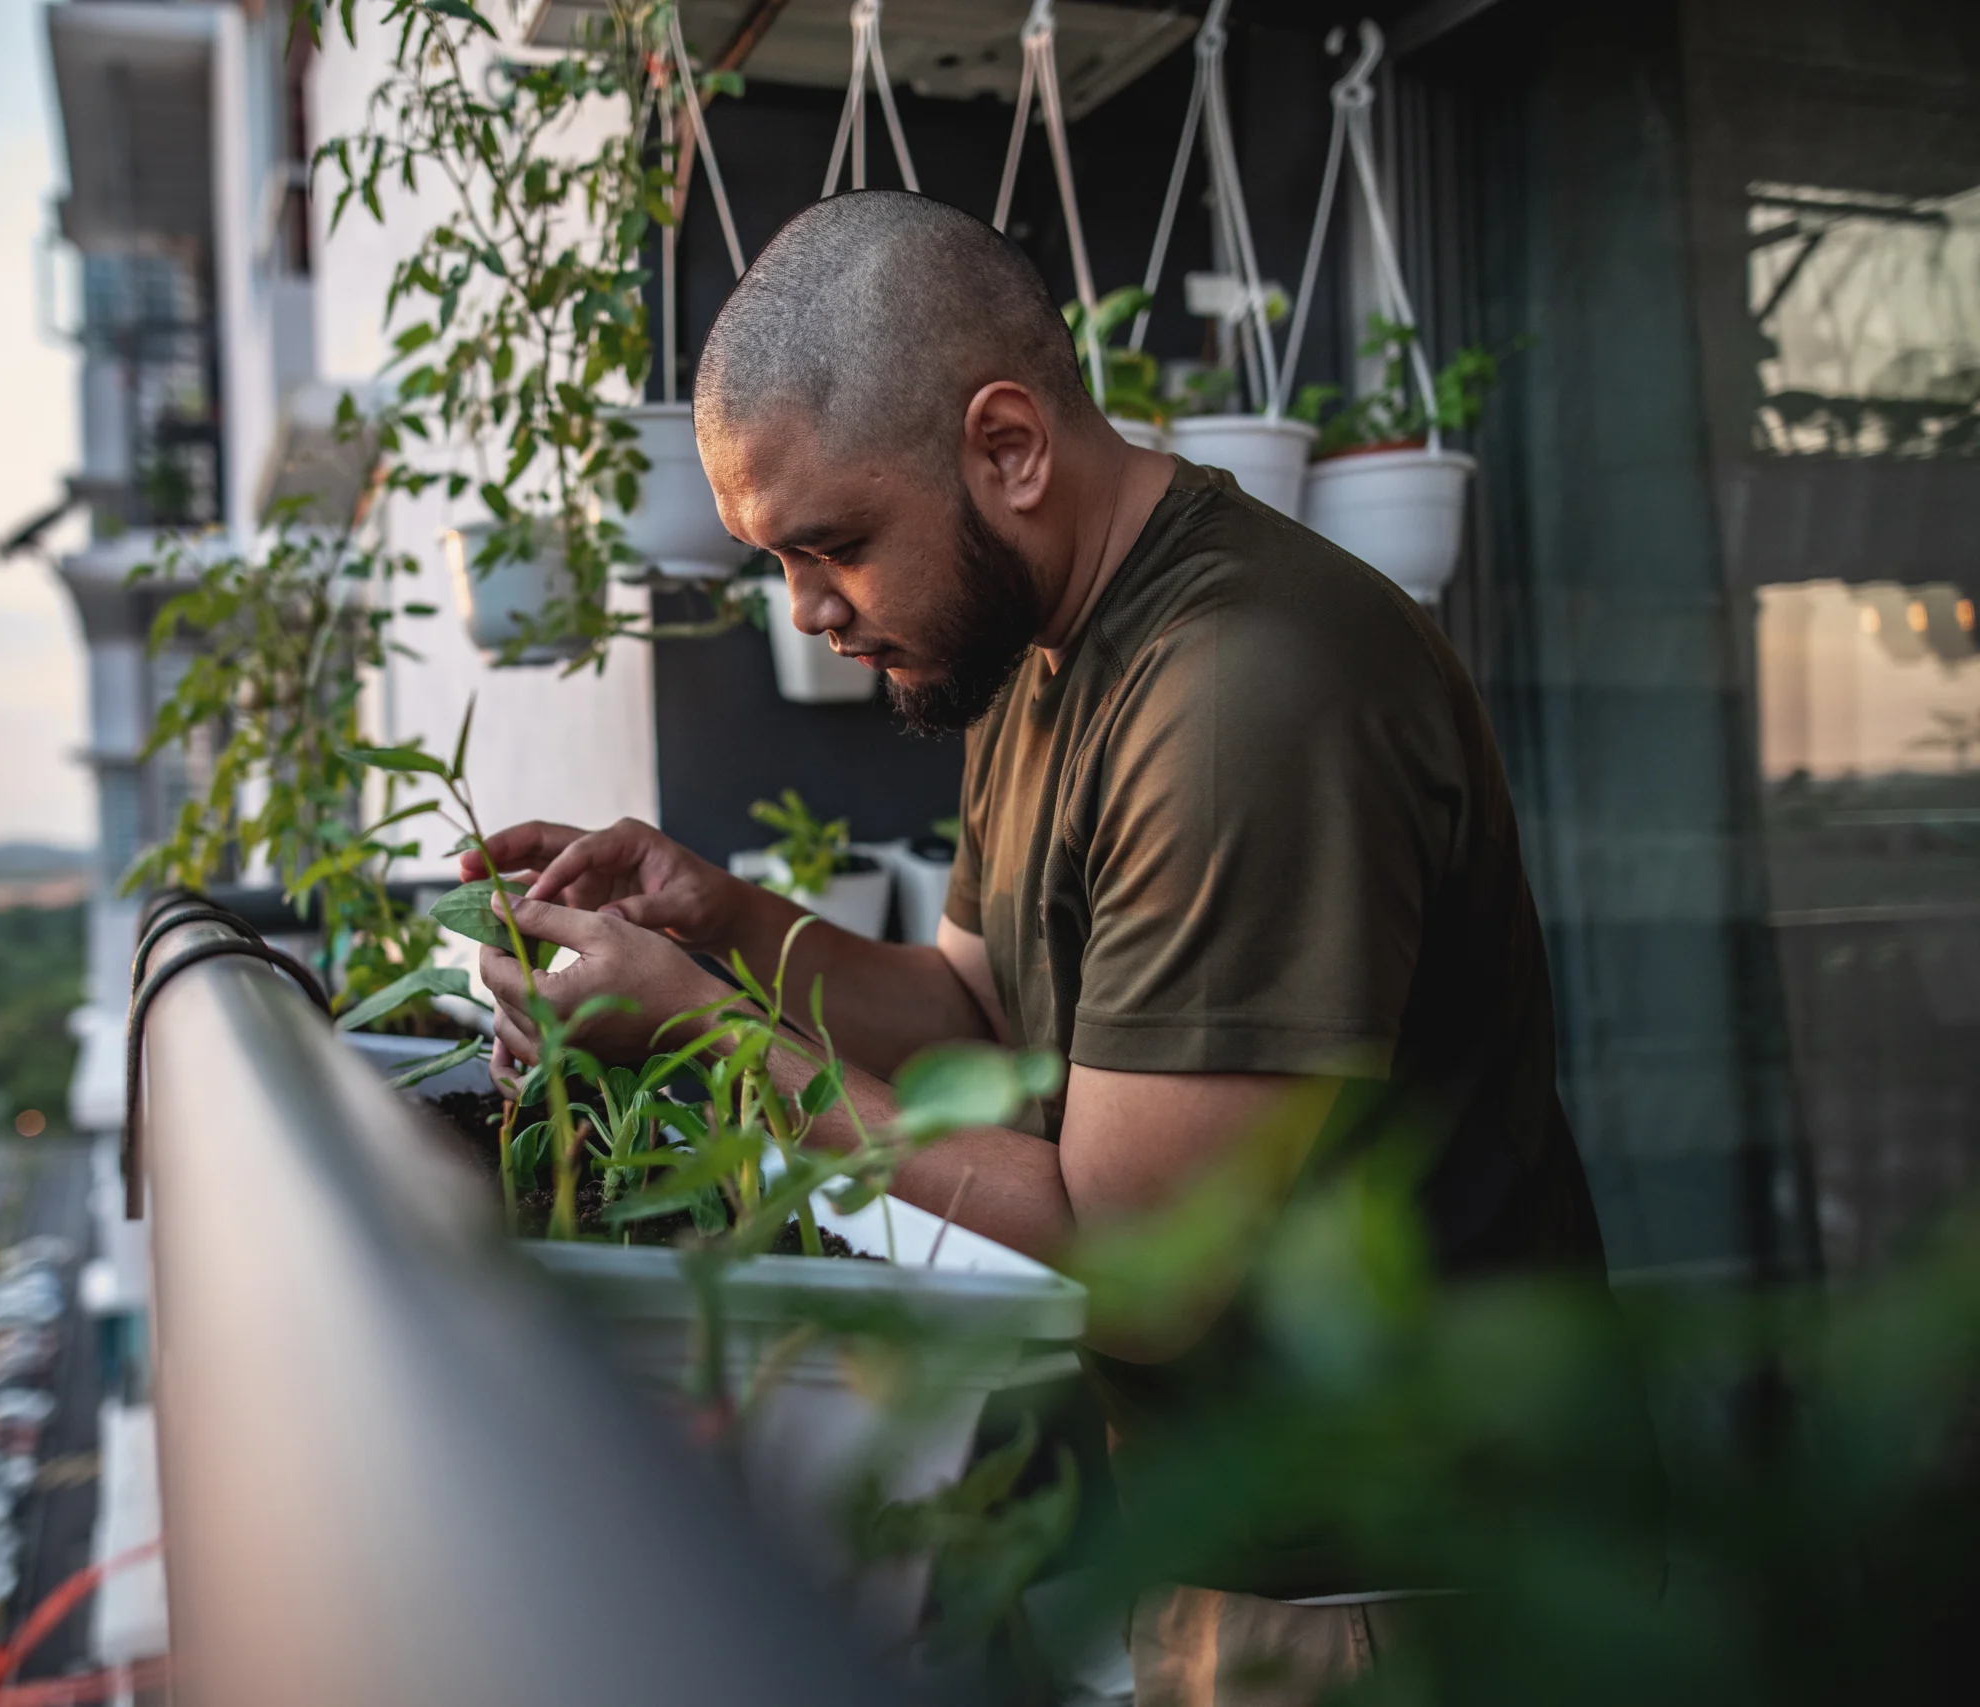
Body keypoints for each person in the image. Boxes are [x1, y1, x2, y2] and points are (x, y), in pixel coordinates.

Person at [464, 191, 1625, 1704]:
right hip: (1253, 1554)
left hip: (1405, 1586)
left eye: (836, 545)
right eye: (777, 561)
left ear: (1007, 446)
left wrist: (704, 1040)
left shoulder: (1240, 695)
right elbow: (980, 1022)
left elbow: (1142, 1266)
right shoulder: (1026, 651)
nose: (809, 608)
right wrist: (730, 927)